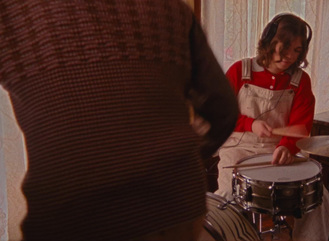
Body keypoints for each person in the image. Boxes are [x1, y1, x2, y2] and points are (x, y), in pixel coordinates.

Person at [0, 0, 239, 240]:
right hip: (174, 209)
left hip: (70, 219)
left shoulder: (14, 11)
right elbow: (223, 110)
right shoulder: (170, 8)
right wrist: (173, 161)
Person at [214, 13, 329, 241]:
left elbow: (301, 126)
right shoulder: (240, 70)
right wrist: (250, 123)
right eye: (285, 46)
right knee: (228, 197)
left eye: (297, 50)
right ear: (269, 40)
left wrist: (287, 146)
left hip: (278, 151)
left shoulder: (301, 81)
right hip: (240, 148)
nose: (289, 56)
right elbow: (221, 114)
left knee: (319, 199)